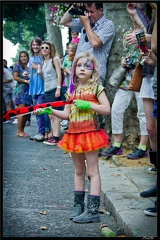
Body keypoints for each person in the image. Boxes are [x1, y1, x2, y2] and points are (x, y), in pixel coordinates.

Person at [34, 52, 111, 223]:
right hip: (73, 134)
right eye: (79, 65)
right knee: (78, 170)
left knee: (92, 171)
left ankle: (93, 211)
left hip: (90, 133)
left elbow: (107, 109)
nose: (82, 68)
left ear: (93, 70)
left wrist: (89, 104)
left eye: (87, 65)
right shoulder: (71, 91)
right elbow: (66, 115)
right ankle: (79, 206)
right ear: (74, 68)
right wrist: (50, 111)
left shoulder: (97, 88)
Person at [102, 3, 149, 160]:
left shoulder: (148, 30)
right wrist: (123, 60)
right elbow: (126, 52)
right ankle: (116, 144)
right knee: (116, 108)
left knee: (143, 112)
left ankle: (143, 146)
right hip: (127, 77)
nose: (132, 15)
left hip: (143, 76)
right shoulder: (128, 33)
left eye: (137, 11)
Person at [60, 2, 115, 85]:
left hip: (94, 76)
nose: (89, 15)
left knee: (90, 98)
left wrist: (86, 24)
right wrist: (74, 5)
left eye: (92, 12)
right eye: (87, 11)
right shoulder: (85, 22)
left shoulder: (108, 25)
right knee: (74, 98)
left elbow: (95, 43)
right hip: (77, 74)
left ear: (100, 10)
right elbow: (64, 21)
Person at [37, 41, 62, 145]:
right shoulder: (43, 62)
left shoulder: (54, 59)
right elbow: (45, 78)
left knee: (55, 114)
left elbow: (59, 74)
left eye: (46, 47)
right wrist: (39, 73)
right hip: (46, 90)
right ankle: (53, 135)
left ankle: (56, 137)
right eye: (42, 47)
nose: (44, 49)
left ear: (50, 49)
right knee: (50, 114)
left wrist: (58, 88)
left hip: (54, 89)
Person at [29, 37, 45, 142]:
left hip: (42, 88)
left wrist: (36, 68)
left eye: (37, 44)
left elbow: (46, 72)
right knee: (36, 111)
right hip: (33, 88)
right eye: (33, 45)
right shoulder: (30, 59)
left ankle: (42, 132)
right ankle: (40, 131)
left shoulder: (44, 58)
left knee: (40, 111)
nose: (35, 47)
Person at [13, 51, 32, 137]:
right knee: (21, 111)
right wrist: (25, 81)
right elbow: (15, 77)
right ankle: (19, 131)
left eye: (25, 56)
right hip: (21, 91)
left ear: (28, 57)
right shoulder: (18, 66)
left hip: (29, 91)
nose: (23, 58)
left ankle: (22, 130)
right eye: (21, 57)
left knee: (26, 112)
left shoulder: (29, 67)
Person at [61, 42, 78, 128]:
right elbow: (64, 67)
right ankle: (66, 117)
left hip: (75, 81)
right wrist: (67, 71)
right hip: (69, 82)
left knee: (73, 97)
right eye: (69, 48)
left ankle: (72, 117)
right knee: (69, 96)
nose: (70, 50)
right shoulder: (66, 58)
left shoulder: (77, 57)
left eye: (72, 49)